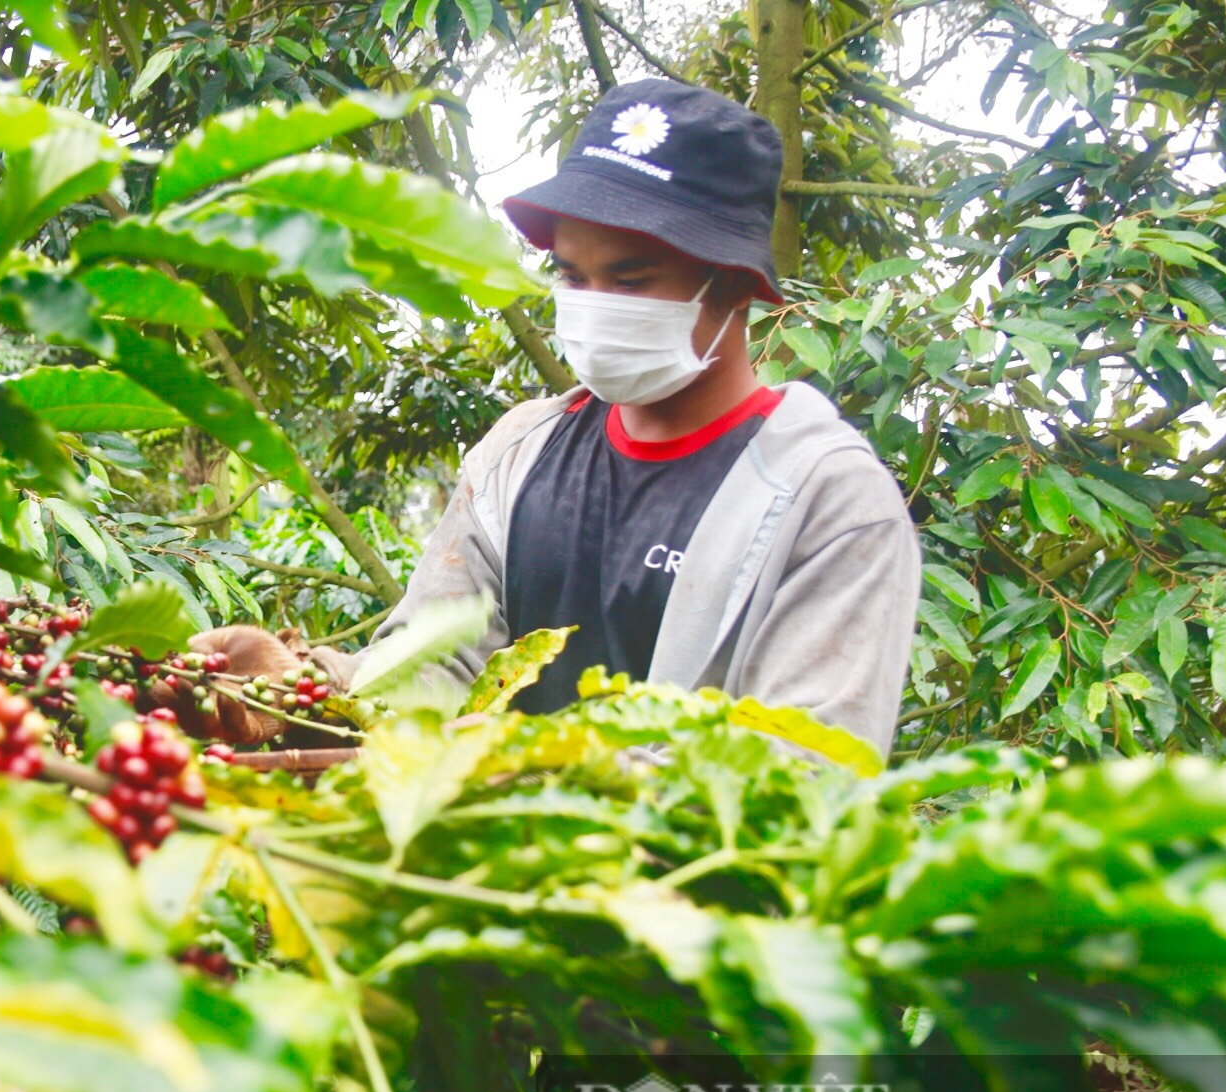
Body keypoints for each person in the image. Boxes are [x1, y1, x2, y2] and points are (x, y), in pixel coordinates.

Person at [185, 79, 921, 756]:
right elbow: (439, 663)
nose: (594, 302)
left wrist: (534, 772)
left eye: (630, 278)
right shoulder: (522, 451)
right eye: (573, 276)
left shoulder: (828, 503)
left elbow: (805, 774)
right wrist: (300, 693)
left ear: (732, 284)